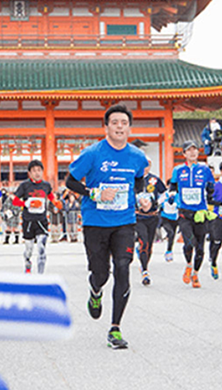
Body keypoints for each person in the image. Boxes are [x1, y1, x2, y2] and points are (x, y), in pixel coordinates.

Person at [65, 104, 148, 349]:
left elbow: (139, 178)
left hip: (124, 221)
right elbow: (70, 181)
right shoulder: (92, 153)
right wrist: (94, 192)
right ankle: (95, 290)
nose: (120, 126)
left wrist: (141, 196)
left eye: (124, 122)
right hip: (95, 222)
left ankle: (115, 328)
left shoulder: (137, 156)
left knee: (123, 267)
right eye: (115, 122)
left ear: (129, 127)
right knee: (101, 273)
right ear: (106, 126)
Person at [169, 140, 215, 288]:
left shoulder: (205, 170)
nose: (193, 152)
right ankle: (188, 264)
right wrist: (171, 197)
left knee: (200, 247)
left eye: (195, 150)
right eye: (189, 150)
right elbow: (173, 186)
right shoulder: (178, 170)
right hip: (184, 213)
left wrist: (212, 200)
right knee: (189, 242)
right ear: (184, 153)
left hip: (200, 213)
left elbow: (211, 188)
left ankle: (195, 274)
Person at [13, 160, 62, 273]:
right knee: (29, 249)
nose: (37, 173)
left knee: (41, 248)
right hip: (28, 221)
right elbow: (14, 200)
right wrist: (24, 203)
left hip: (42, 220)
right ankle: (27, 261)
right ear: (29, 173)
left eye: (39, 170)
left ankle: (40, 275)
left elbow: (50, 196)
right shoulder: (24, 185)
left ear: (42, 172)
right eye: (34, 170)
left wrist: (55, 202)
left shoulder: (46, 185)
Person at [134, 158, 167, 285]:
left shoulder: (155, 180)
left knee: (149, 245)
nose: (144, 167)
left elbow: (165, 193)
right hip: (139, 216)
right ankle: (145, 271)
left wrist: (156, 203)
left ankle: (144, 263)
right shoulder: (133, 179)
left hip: (152, 216)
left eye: (147, 165)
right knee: (144, 242)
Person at [159, 181, 179, 262]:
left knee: (172, 236)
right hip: (165, 217)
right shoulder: (165, 194)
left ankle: (169, 250)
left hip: (174, 218)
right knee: (170, 233)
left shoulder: (178, 195)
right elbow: (159, 202)